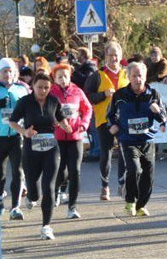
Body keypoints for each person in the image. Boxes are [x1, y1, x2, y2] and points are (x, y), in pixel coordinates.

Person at [8, 73, 73, 239]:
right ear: (33, 86)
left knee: (49, 188)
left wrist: (67, 127)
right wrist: (24, 132)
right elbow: (12, 121)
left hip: (51, 148)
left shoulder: (53, 101)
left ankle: (46, 226)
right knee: (34, 192)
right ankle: (30, 196)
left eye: (46, 87)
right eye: (39, 87)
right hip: (31, 150)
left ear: (50, 87)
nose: (43, 91)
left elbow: (60, 117)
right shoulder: (25, 102)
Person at [108, 62, 166, 217]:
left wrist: (158, 112)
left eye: (140, 75)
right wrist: (113, 125)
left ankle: (141, 205)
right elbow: (110, 115)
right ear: (128, 77)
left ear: (145, 76)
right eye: (134, 75)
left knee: (148, 175)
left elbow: (164, 118)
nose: (137, 79)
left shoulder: (153, 94)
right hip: (128, 141)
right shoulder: (119, 95)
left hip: (147, 140)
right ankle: (130, 201)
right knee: (134, 169)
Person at [86, 41, 128, 200]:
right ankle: (105, 186)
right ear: (105, 57)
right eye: (110, 55)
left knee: (125, 151)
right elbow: (88, 96)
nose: (113, 58)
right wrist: (103, 94)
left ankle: (121, 183)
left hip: (124, 120)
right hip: (104, 120)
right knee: (106, 152)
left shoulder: (126, 74)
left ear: (120, 56)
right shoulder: (97, 75)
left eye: (116, 55)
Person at [51, 65, 93, 219]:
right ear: (54, 79)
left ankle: (72, 207)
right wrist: (54, 123)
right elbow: (46, 111)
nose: (63, 79)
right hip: (58, 138)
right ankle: (55, 192)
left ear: (70, 77)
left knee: (75, 171)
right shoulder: (51, 92)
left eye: (65, 76)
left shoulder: (77, 91)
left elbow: (88, 108)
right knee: (61, 170)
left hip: (75, 136)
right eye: (59, 77)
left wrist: (84, 124)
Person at [0, 59, 29, 219]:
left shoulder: (21, 89)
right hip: (0, 136)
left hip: (17, 136)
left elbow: (29, 110)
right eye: (4, 71)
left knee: (18, 172)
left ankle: (15, 207)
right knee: (1, 173)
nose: (7, 74)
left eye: (10, 71)